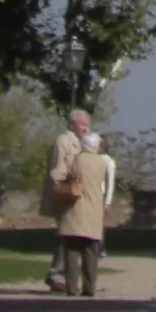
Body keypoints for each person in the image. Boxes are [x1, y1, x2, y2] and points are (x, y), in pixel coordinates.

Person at [52, 133, 109, 297]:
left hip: (75, 210)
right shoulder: (102, 162)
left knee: (71, 250)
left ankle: (71, 287)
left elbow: (56, 174)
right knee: (91, 251)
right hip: (94, 210)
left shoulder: (74, 159)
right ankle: (90, 287)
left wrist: (67, 182)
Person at [43, 109, 92, 293]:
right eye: (82, 124)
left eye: (86, 124)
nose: (85, 128)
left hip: (73, 196)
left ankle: (60, 274)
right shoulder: (63, 142)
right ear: (72, 124)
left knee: (69, 235)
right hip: (65, 196)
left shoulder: (79, 143)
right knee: (65, 235)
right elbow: (57, 171)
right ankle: (56, 274)